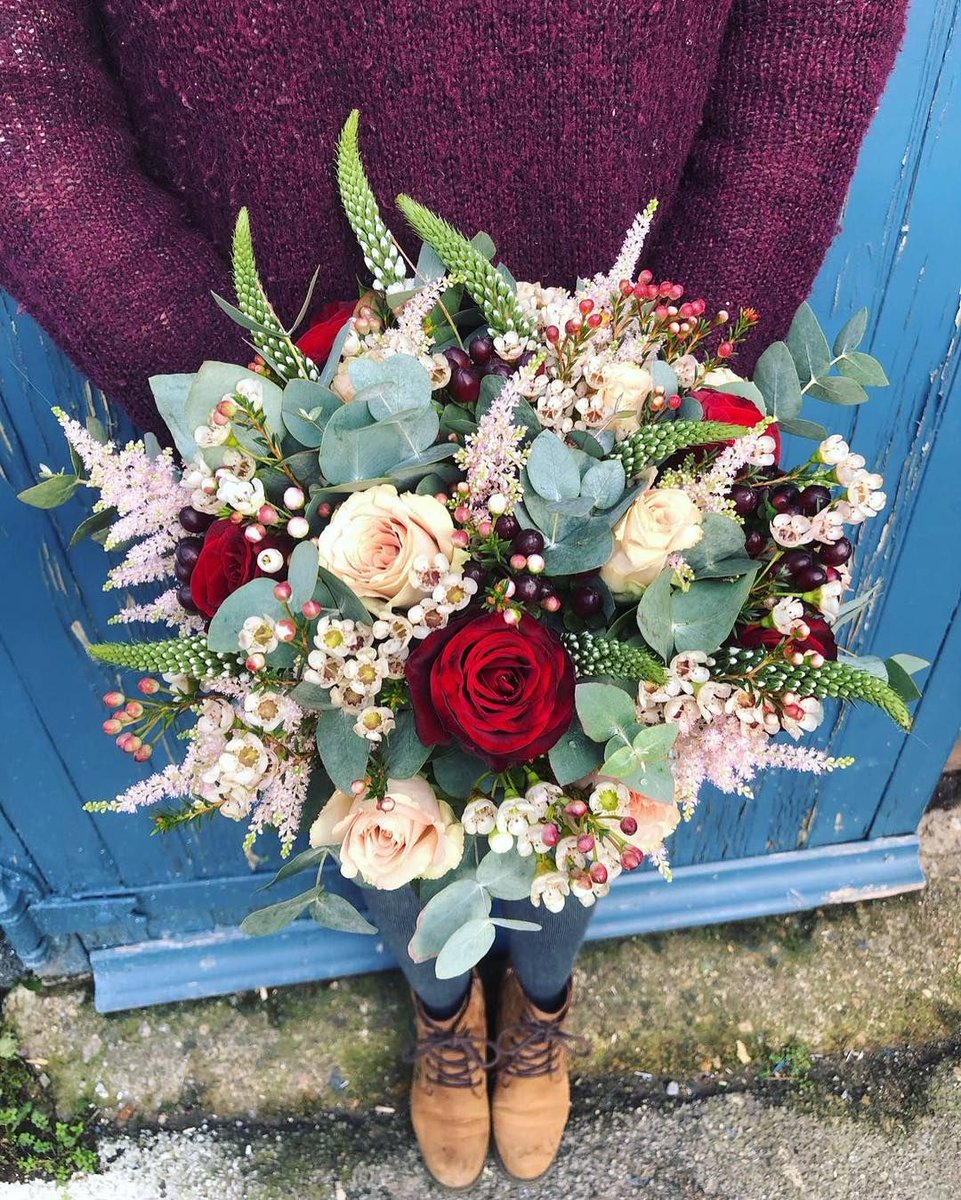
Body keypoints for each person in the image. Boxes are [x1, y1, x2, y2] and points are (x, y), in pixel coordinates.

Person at [0, 0, 907, 1186]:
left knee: (593, 757)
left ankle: (536, 1003)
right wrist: (248, 404)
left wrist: (662, 375)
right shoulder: (275, 430)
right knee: (365, 763)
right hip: (301, 407)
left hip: (619, 388)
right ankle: (442, 1010)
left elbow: (816, 45)